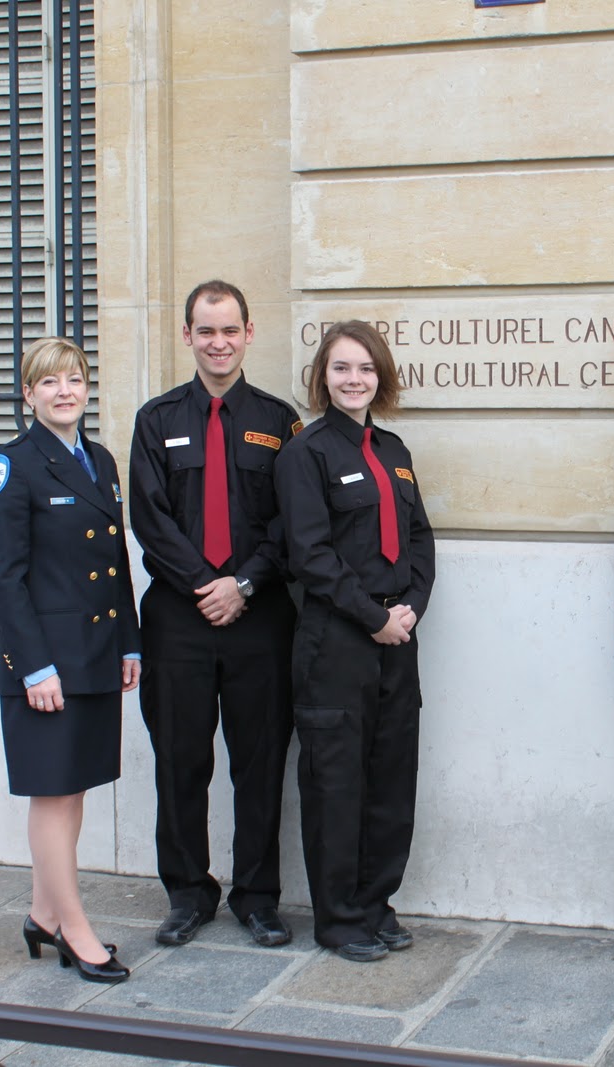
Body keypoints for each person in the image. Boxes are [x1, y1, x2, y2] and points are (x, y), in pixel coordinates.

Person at [129, 281, 301, 949]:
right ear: (187, 336)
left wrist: (246, 583)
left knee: (258, 763)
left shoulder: (280, 421)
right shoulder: (156, 419)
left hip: (260, 617)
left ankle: (257, 896)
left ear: (249, 332)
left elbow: (293, 521)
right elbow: (151, 517)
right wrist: (207, 583)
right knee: (179, 761)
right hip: (178, 617)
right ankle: (187, 892)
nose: (219, 341)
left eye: (230, 329)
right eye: (206, 330)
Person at [0, 337, 139, 984]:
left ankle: (43, 913)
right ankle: (76, 928)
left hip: (95, 651)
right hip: (45, 664)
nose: (65, 390)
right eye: (50, 382)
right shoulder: (10, 466)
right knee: (52, 794)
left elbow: (115, 563)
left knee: (73, 791)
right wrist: (33, 667)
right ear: (29, 394)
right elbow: (5, 580)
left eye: (74, 379)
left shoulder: (99, 459)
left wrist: (129, 639)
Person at [275, 321, 436, 963]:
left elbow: (420, 540)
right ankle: (339, 919)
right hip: (337, 644)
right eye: (341, 368)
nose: (354, 380)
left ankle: (377, 904)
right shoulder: (305, 455)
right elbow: (310, 557)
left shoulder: (393, 450)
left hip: (399, 639)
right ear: (323, 377)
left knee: (392, 781)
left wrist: (413, 608)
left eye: (365, 369)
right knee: (337, 785)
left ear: (381, 377)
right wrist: (375, 617)